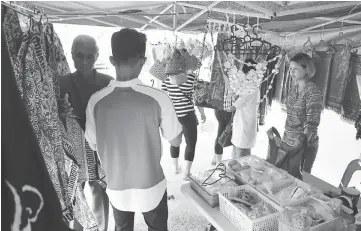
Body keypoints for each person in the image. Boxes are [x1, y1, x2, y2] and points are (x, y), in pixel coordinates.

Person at [85, 28, 183, 231]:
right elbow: (175, 140)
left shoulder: (96, 101)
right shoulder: (158, 98)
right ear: (143, 60)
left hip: (117, 188)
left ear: (112, 60)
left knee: (122, 228)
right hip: (152, 187)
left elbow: (93, 144)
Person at [59, 35, 112, 231]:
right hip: (73, 146)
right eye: (79, 56)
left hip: (99, 143)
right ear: (71, 55)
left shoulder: (108, 82)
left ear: (97, 56)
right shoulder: (61, 82)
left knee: (99, 188)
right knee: (74, 191)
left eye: (90, 57)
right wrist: (61, 112)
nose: (84, 61)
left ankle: (102, 228)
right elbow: (52, 117)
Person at [160, 49, 203, 180]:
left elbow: (164, 95)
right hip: (188, 115)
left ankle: (175, 168)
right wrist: (202, 113)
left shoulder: (167, 78)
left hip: (174, 115)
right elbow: (198, 98)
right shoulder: (192, 77)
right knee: (191, 143)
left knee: (175, 142)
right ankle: (186, 172)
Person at [283, 53, 323, 173]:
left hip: (304, 146)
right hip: (288, 142)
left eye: (295, 69)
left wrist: (299, 144)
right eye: (290, 69)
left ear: (306, 70)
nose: (291, 72)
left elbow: (311, 124)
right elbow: (290, 116)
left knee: (299, 180)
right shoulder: (294, 88)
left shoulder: (313, 92)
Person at [231, 59, 260, 158]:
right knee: (238, 156)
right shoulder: (253, 86)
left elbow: (233, 106)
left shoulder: (249, 87)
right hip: (243, 125)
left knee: (242, 159)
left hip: (244, 126)